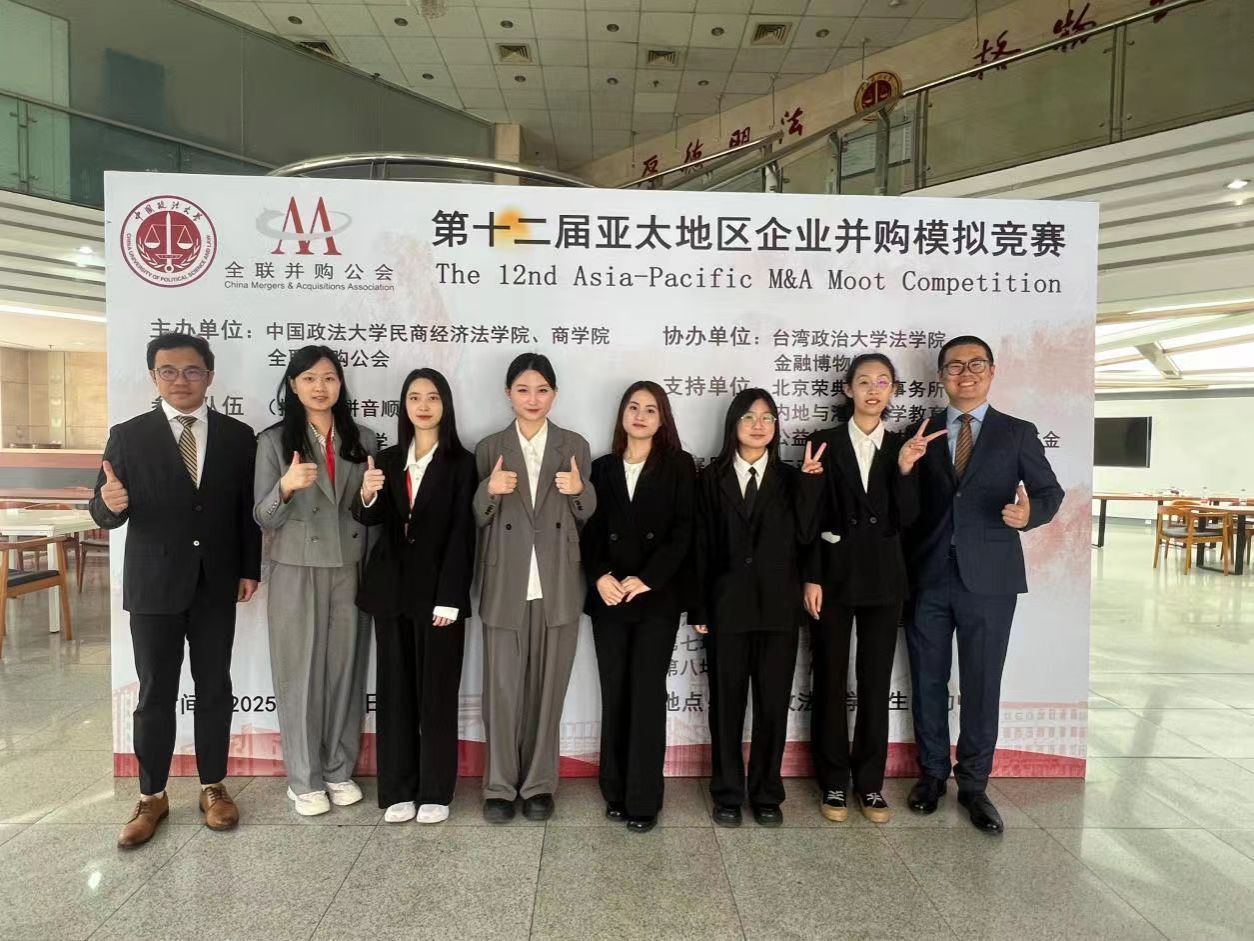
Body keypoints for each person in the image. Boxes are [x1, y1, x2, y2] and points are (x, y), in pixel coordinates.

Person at [90, 332, 261, 848]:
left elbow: (245, 512)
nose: (180, 380)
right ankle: (152, 795)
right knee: (155, 694)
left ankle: (214, 787)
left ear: (209, 376)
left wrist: (249, 568)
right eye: (168, 371)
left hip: (216, 582)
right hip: (154, 586)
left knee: (215, 688)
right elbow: (102, 510)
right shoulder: (128, 436)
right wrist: (109, 505)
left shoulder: (238, 436)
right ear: (153, 376)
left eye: (191, 371)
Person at [901, 335, 1064, 833]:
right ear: (941, 376)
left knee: (981, 682)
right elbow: (903, 504)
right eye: (954, 366)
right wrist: (904, 468)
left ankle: (974, 785)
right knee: (927, 680)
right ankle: (932, 776)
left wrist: (1029, 515)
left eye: (976, 365)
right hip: (928, 576)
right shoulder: (920, 432)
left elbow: (1050, 492)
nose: (965, 374)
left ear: (992, 372)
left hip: (990, 580)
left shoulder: (1017, 433)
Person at [801, 353, 927, 825]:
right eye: (864, 381)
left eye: (883, 382)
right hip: (833, 576)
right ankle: (833, 781)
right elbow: (809, 521)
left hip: (884, 578)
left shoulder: (902, 446)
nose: (874, 389)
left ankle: (870, 783)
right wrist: (812, 576)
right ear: (847, 389)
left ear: (893, 390)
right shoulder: (823, 442)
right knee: (830, 680)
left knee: (875, 682)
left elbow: (909, 519)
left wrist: (906, 470)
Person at [690, 388, 822, 828]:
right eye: (749, 417)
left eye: (767, 417)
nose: (759, 425)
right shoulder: (710, 479)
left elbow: (808, 537)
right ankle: (727, 792)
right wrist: (700, 608)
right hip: (726, 608)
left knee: (772, 705)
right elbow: (700, 548)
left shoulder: (793, 478)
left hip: (778, 608)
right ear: (733, 424)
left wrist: (811, 486)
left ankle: (767, 792)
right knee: (726, 706)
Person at [473, 353, 596, 824]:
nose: (533, 399)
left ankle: (540, 785)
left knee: (549, 692)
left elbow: (587, 514)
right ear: (508, 393)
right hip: (505, 581)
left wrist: (578, 490)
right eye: (523, 390)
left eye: (542, 390)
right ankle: (499, 787)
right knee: (501, 693)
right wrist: (489, 490)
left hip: (557, 583)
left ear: (554, 394)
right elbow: (476, 518)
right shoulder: (489, 447)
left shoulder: (574, 445)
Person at [254, 346, 376, 817]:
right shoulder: (273, 441)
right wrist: (285, 487)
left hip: (349, 566)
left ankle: (339, 770)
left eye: (329, 377)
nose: (320, 387)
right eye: (309, 378)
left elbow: (370, 513)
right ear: (293, 385)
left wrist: (369, 498)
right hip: (296, 568)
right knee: (299, 675)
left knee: (345, 673)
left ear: (340, 384)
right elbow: (262, 516)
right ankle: (303, 780)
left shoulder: (362, 438)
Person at [353, 368, 476, 825]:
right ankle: (398, 788)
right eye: (414, 398)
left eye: (432, 397)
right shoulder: (387, 459)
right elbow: (371, 519)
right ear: (403, 406)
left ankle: (436, 791)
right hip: (391, 592)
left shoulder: (462, 463)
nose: (423, 406)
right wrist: (367, 495)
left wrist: (451, 598)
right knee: (395, 693)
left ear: (446, 405)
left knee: (437, 695)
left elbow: (463, 536)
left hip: (438, 596)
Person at [581, 381, 695, 833]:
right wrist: (600, 576)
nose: (641, 415)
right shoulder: (601, 467)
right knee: (615, 692)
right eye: (634, 407)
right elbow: (588, 531)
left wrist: (648, 578)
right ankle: (614, 789)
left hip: (655, 598)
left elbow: (684, 531)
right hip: (609, 597)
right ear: (622, 415)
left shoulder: (679, 465)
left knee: (646, 694)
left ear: (662, 418)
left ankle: (644, 798)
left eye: (651, 409)